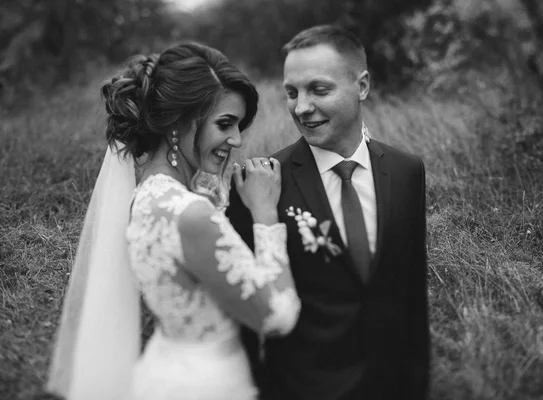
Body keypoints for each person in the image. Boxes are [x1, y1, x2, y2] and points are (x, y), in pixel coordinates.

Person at [46, 42, 301, 400]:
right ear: (178, 123)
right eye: (225, 124)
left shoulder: (146, 196)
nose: (238, 139)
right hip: (208, 385)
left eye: (239, 125)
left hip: (165, 366)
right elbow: (278, 317)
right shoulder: (190, 215)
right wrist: (264, 213)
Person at [227, 25, 430, 400]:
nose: (301, 107)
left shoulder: (407, 171)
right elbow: (244, 317)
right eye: (292, 92)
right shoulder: (261, 182)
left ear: (362, 86)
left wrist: (416, 384)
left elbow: (412, 295)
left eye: (319, 89)